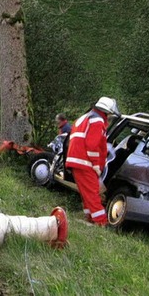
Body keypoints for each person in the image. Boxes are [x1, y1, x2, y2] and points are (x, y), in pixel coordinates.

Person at [65, 97, 120, 226]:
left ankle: (89, 218)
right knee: (93, 193)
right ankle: (100, 222)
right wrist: (96, 164)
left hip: (77, 160)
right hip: (85, 163)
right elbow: (92, 145)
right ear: (107, 112)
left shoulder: (86, 117)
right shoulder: (97, 120)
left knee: (87, 192)